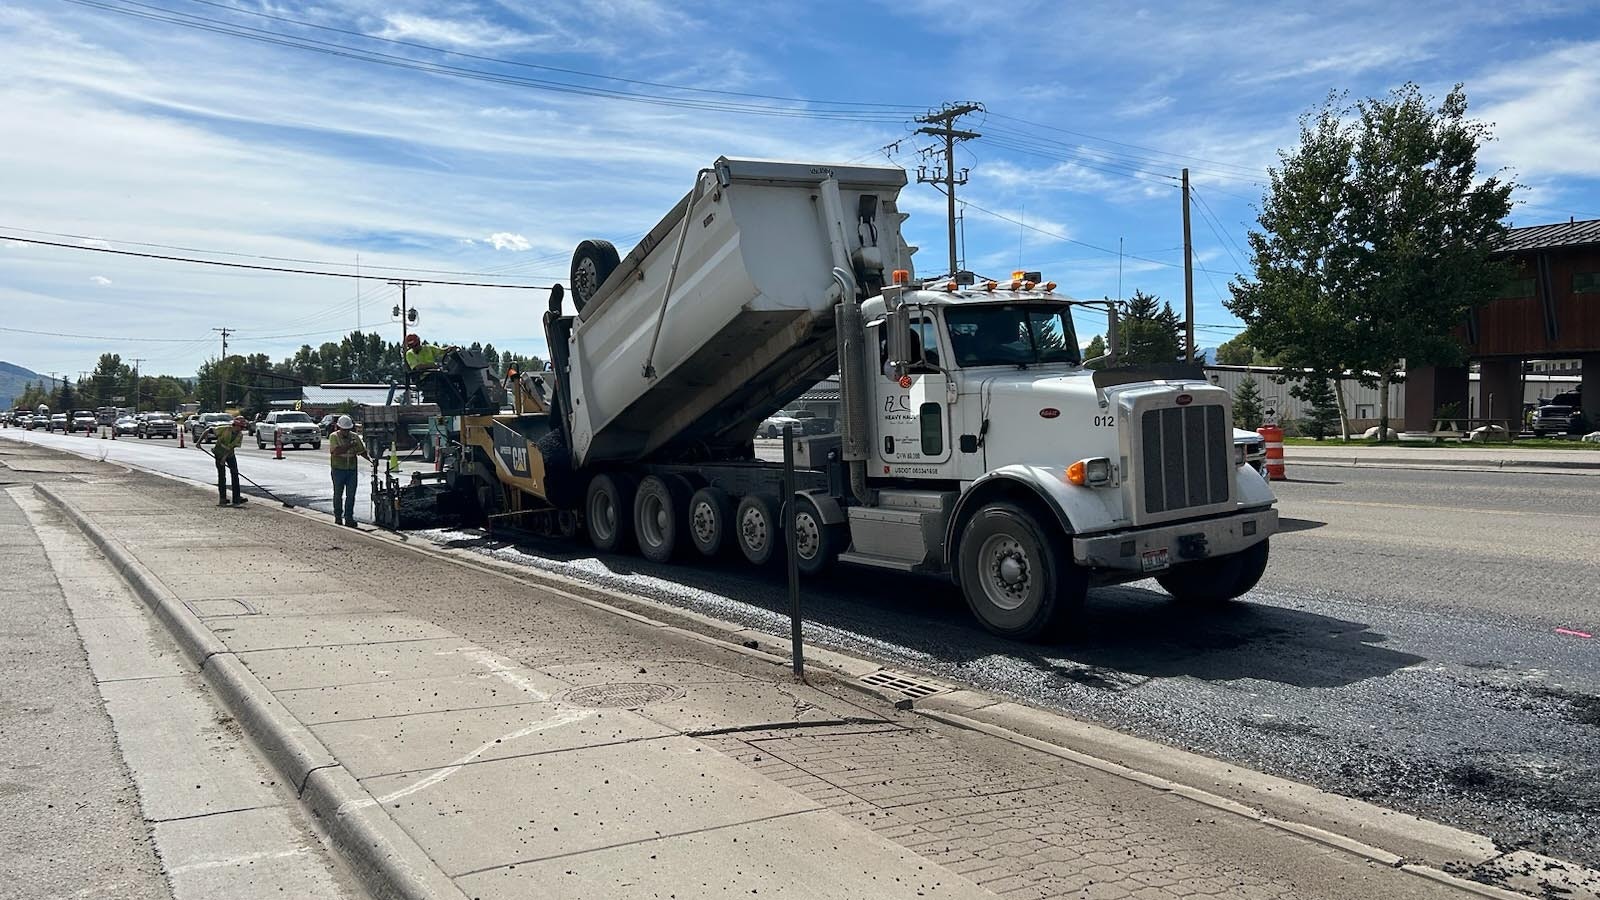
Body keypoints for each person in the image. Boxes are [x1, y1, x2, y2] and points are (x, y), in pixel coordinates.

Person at [328, 414, 370, 527]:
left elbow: (362, 451)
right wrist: (350, 445)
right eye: (344, 430)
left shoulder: (355, 437)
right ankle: (338, 517)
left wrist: (371, 460)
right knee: (338, 494)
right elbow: (335, 451)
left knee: (351, 495)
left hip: (351, 470)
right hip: (338, 469)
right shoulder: (334, 437)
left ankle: (349, 518)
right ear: (339, 428)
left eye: (348, 430)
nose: (346, 432)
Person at [213, 415, 247, 507]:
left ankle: (236, 498)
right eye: (241, 427)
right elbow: (209, 430)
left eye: (243, 427)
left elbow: (231, 448)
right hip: (219, 453)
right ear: (235, 425)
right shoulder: (225, 429)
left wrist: (225, 458)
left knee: (235, 474)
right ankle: (222, 499)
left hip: (230, 454)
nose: (242, 429)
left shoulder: (240, 435)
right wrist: (199, 443)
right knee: (222, 476)